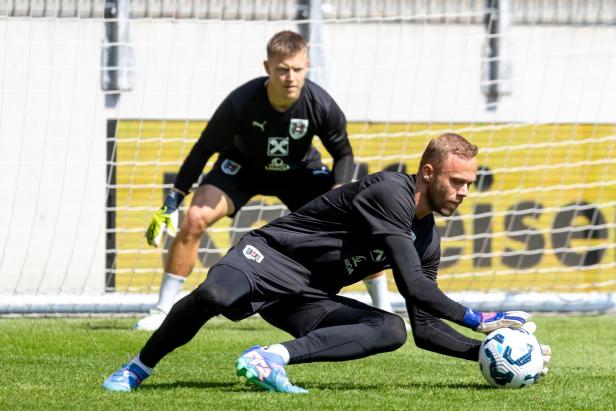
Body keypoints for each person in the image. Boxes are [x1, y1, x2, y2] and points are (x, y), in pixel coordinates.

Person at [103, 133, 550, 393]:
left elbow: (426, 329)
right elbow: (413, 286)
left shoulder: (427, 238)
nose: (463, 193)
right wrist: (480, 318)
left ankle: (270, 359)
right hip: (268, 257)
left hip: (307, 295)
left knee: (391, 329)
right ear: (428, 173)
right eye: (456, 182)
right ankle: (137, 367)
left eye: (469, 185)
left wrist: (490, 353)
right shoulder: (390, 192)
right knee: (215, 294)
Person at [136, 30, 394, 331]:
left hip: (299, 173)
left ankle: (383, 307)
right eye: (282, 69)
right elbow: (203, 150)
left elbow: (344, 155)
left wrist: (339, 191)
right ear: (267, 67)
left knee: (357, 223)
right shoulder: (240, 102)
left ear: (307, 66)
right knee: (194, 218)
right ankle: (162, 309)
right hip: (241, 169)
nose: (290, 77)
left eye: (297, 69)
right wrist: (173, 199)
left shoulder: (321, 104)